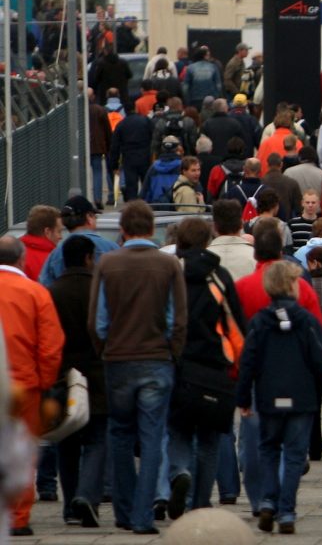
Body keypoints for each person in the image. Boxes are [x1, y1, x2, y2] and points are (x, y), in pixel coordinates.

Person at [88, 201, 188, 535]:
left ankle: (124, 509)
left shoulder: (108, 264)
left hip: (118, 359)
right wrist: (171, 352)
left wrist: (106, 349)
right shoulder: (168, 264)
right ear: (150, 229)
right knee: (152, 437)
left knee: (119, 434)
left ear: (123, 229)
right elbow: (177, 318)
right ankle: (144, 515)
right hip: (157, 359)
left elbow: (98, 320)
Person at [236, 261, 322, 535]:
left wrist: (244, 397)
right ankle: (287, 510)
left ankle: (268, 499)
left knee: (268, 449)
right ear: (292, 286)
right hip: (301, 397)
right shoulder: (306, 321)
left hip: (268, 396)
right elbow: (320, 358)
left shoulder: (259, 322)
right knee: (294, 455)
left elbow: (248, 362)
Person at [166, 217, 246, 517]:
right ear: (207, 240)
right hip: (214, 366)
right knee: (210, 438)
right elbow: (235, 326)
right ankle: (200, 502)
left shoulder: (170, 272)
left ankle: (179, 473)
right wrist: (239, 367)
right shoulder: (219, 276)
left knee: (177, 431)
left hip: (177, 364)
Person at [0, 236, 65, 537]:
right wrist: (45, 382)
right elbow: (51, 345)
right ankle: (18, 516)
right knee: (22, 450)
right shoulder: (35, 293)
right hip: (24, 385)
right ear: (22, 259)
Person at [47, 235, 109, 528]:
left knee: (66, 441)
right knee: (97, 439)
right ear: (88, 258)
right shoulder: (99, 288)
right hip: (97, 372)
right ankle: (87, 496)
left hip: (63, 375)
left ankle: (70, 505)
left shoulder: (52, 291)